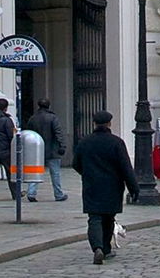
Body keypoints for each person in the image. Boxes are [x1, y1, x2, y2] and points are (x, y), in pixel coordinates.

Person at [71, 109, 137, 266]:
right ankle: (106, 249)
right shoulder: (116, 142)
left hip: (92, 185)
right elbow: (125, 167)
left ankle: (97, 248)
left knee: (94, 218)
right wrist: (133, 188)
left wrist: (87, 174)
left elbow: (75, 163)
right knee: (108, 218)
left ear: (94, 123)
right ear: (109, 123)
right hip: (113, 186)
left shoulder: (85, 142)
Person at [27, 98, 69, 204]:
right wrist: (62, 146)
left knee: (35, 171)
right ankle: (58, 194)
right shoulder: (52, 118)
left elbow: (29, 134)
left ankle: (31, 192)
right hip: (52, 149)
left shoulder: (33, 118)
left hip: (37, 150)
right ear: (48, 106)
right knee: (55, 173)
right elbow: (58, 132)